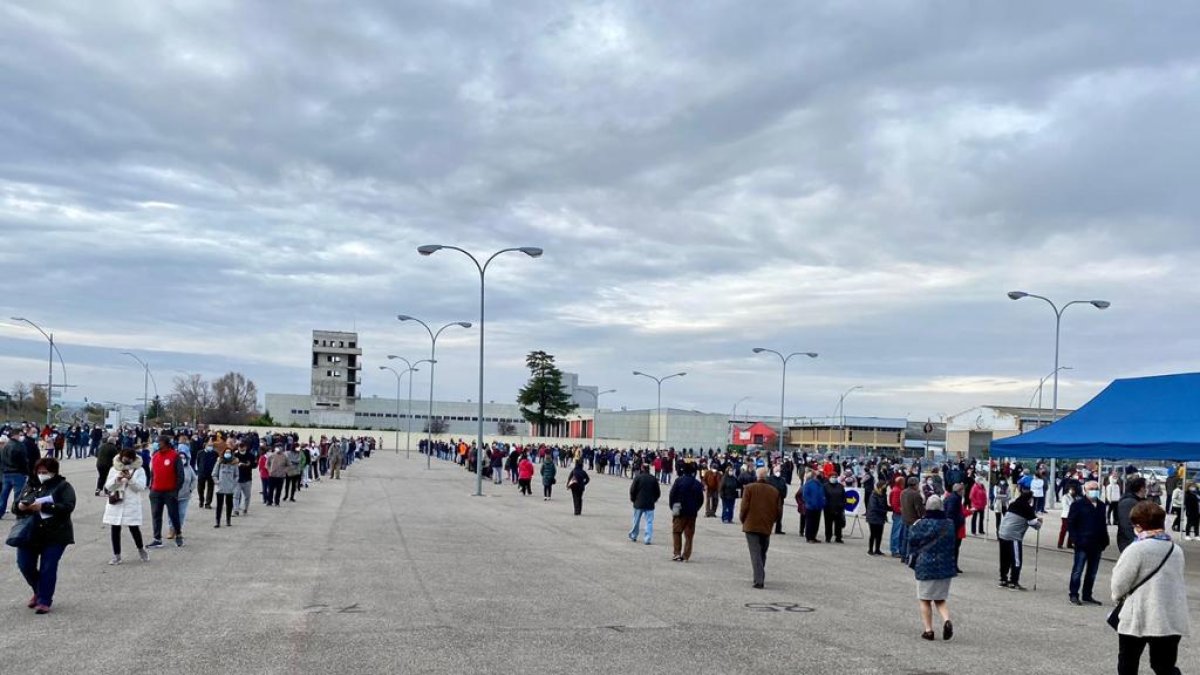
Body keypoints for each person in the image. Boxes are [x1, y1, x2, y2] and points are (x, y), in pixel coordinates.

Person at [1110, 501, 1190, 675]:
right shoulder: (1176, 550)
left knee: (1128, 662)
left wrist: (1117, 597)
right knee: (1164, 666)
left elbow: (1119, 583)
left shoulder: (1136, 549)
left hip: (1139, 613)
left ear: (1138, 526)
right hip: (1169, 615)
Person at [12, 458, 75, 613]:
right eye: (39, 472)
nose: (41, 475)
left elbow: (68, 506)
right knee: (24, 564)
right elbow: (16, 505)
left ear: (53, 472)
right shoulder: (30, 484)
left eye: (45, 472)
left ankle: (44, 600)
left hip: (55, 533)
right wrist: (20, 506)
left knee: (48, 567)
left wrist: (45, 506)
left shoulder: (63, 486)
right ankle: (38, 590)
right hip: (29, 532)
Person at [907, 495, 956, 641]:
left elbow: (912, 539)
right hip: (945, 565)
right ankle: (947, 620)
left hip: (925, 564)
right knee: (940, 598)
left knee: (925, 599)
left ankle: (929, 630)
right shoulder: (949, 524)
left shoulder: (921, 524)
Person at [102, 449, 149, 565]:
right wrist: (117, 479)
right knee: (115, 529)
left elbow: (141, 487)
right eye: (124, 458)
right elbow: (108, 486)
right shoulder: (114, 469)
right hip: (117, 502)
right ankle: (116, 555)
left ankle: (141, 549)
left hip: (131, 503)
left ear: (133, 459)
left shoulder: (139, 470)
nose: (126, 460)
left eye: (129, 458)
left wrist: (130, 479)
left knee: (134, 528)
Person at [1066, 480, 1109, 606]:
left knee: (1092, 571)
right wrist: (1074, 539)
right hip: (1082, 542)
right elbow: (1071, 523)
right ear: (1085, 490)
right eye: (1091, 488)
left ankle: (1087, 594)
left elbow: (1102, 524)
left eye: (1096, 488)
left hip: (1097, 543)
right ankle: (1073, 594)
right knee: (1078, 570)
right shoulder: (1078, 505)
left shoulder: (1101, 505)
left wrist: (1105, 541)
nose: (1094, 491)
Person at [740, 467, 783, 589]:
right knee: (762, 552)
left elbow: (744, 507)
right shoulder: (774, 491)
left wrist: (743, 520)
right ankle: (760, 574)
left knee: (755, 553)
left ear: (757, 476)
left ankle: (759, 579)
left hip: (751, 525)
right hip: (766, 525)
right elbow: (779, 511)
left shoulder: (749, 488)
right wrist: (772, 521)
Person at [997, 487, 1041, 590]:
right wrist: (1039, 522)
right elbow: (1033, 523)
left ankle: (1003, 579)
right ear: (1029, 499)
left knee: (1004, 557)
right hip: (1014, 536)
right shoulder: (1027, 508)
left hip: (1002, 533)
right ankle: (1014, 581)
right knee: (1016, 560)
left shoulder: (1013, 504)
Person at [147, 437, 185, 549]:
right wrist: (151, 487)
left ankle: (178, 534)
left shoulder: (175, 456)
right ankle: (157, 539)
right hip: (156, 492)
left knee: (174, 515)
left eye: (160, 442)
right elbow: (152, 473)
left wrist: (175, 490)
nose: (158, 444)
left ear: (166, 444)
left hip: (170, 492)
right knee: (156, 516)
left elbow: (180, 476)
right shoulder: (155, 456)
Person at [668, 463, 704, 562]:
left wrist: (673, 506)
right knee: (689, 535)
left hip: (679, 510)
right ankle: (686, 555)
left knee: (677, 532)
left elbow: (672, 495)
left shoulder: (679, 481)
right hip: (692, 512)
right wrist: (696, 508)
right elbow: (701, 499)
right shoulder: (697, 484)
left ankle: (677, 553)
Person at [1, 429, 30, 518]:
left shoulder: (5, 446)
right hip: (18, 473)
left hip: (6, 473)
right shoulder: (19, 445)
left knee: (3, 495)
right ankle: (18, 513)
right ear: (16, 435)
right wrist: (26, 471)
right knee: (18, 495)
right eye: (20, 435)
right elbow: (23, 460)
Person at [628, 465, 660, 545]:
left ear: (642, 469)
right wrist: (654, 499)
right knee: (649, 522)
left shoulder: (638, 478)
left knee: (636, 520)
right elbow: (657, 492)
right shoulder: (653, 478)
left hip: (639, 502)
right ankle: (647, 539)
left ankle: (634, 535)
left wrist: (633, 499)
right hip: (650, 503)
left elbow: (632, 490)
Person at [1117, 476, 1147, 552]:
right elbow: (1126, 524)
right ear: (1141, 488)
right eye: (1145, 487)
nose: (1146, 490)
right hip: (1129, 542)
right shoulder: (1128, 502)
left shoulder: (1139, 501)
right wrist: (1135, 541)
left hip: (1138, 540)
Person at [900, 476, 926, 563]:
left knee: (904, 539)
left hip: (905, 518)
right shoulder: (915, 494)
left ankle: (903, 556)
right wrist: (923, 516)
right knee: (911, 540)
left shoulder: (903, 492)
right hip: (913, 520)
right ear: (915, 484)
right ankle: (908, 558)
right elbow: (919, 508)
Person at [212, 449, 238, 528]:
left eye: (229, 453)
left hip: (230, 487)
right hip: (220, 487)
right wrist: (217, 482)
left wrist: (233, 483)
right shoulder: (219, 462)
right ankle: (218, 521)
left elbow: (237, 475)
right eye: (226, 452)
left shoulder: (234, 463)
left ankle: (228, 520)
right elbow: (214, 474)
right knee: (219, 505)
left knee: (229, 505)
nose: (227, 454)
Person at [865, 481, 889, 556]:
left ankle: (877, 549)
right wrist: (884, 511)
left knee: (879, 534)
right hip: (873, 517)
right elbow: (874, 507)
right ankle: (870, 549)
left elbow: (885, 505)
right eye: (884, 487)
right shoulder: (874, 495)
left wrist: (891, 508)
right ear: (880, 487)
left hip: (881, 517)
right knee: (873, 534)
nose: (885, 488)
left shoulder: (884, 495)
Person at [801, 472, 826, 543]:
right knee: (810, 522)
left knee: (816, 523)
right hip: (810, 507)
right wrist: (810, 503)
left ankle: (814, 536)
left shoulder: (820, 484)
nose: (819, 477)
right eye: (817, 475)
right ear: (813, 476)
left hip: (818, 507)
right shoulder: (808, 484)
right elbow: (805, 495)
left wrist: (823, 503)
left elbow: (823, 495)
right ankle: (809, 537)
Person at [94, 433, 119, 497]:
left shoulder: (102, 446)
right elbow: (116, 458)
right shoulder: (113, 448)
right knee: (108, 477)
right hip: (107, 465)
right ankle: (107, 490)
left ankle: (98, 489)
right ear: (114, 442)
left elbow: (96, 454)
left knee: (101, 477)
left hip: (99, 464)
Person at [823, 475, 846, 543]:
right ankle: (828, 537)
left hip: (838, 508)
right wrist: (825, 505)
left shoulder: (840, 486)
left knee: (838, 524)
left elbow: (844, 496)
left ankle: (838, 537)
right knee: (828, 524)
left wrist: (842, 505)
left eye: (835, 477)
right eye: (832, 477)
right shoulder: (825, 486)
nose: (833, 478)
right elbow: (823, 497)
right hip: (828, 508)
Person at [766, 467, 789, 535]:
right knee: (770, 515)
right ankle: (767, 528)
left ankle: (778, 529)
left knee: (779, 515)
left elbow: (785, 489)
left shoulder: (782, 480)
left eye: (779, 470)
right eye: (776, 470)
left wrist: (783, 496)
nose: (778, 472)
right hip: (771, 499)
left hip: (780, 499)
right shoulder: (769, 479)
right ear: (773, 471)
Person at [195, 441, 217, 509]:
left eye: (212, 446)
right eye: (209, 445)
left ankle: (208, 503)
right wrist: (198, 471)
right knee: (200, 488)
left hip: (211, 473)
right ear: (205, 445)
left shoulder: (215, 453)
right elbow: (198, 462)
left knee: (210, 488)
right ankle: (201, 500)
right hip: (202, 473)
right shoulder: (200, 453)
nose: (210, 447)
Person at [888, 475, 906, 558]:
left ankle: (897, 549)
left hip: (899, 514)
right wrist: (901, 510)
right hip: (898, 514)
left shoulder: (897, 490)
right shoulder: (897, 491)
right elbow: (895, 505)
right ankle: (895, 549)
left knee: (899, 532)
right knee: (897, 533)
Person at [1058, 484, 1077, 549]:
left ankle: (1069, 544)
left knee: (1072, 531)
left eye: (1074, 490)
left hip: (1072, 516)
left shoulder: (1074, 497)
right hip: (1066, 516)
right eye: (1072, 490)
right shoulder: (1065, 497)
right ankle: (1060, 543)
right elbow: (1065, 507)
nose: (1073, 491)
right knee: (1064, 530)